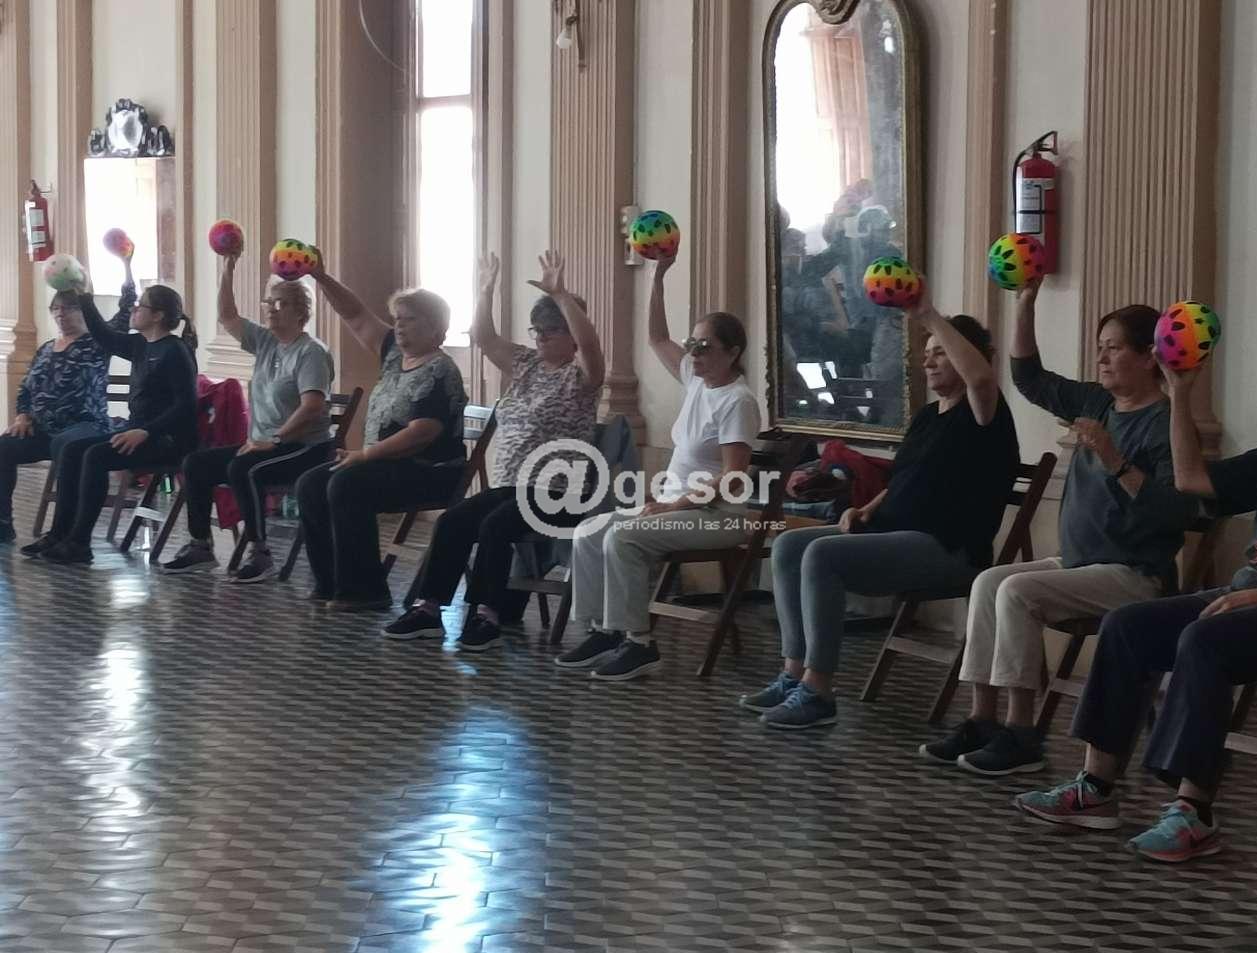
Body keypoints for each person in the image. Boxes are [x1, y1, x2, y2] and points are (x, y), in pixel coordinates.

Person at [1014, 360, 1257, 862]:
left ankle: (1194, 812)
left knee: (1205, 638)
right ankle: (1095, 787)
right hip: (1246, 597)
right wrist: (1181, 393)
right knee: (1128, 626)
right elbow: (1190, 479)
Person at [922, 278, 1199, 775]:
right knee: (989, 583)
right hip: (1078, 563)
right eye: (1100, 347)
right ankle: (983, 719)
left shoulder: (1165, 423)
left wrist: (1112, 457)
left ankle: (1022, 735)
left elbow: (1174, 512)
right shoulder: (1096, 402)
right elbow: (1028, 377)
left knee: (1018, 592)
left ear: (1148, 357)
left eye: (1114, 348)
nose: (1102, 358)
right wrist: (1025, 302)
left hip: (1135, 573)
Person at [741, 282, 1020, 729]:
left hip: (945, 547)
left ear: (971, 356)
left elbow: (982, 380)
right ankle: (793, 673)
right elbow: (906, 479)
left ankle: (818, 689)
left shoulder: (983, 413)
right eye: (926, 354)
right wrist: (866, 508)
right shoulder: (929, 417)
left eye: (941, 352)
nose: (929, 361)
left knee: (822, 554)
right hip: (892, 531)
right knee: (790, 546)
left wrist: (928, 314)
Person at [554, 254, 762, 681]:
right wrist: (657, 276)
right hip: (677, 507)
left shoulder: (737, 401)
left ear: (732, 353)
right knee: (589, 531)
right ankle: (604, 631)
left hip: (718, 516)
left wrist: (672, 505)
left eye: (705, 346)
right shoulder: (696, 379)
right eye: (693, 344)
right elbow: (656, 336)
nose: (694, 353)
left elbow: (733, 477)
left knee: (624, 536)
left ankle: (640, 643)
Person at [382, 250, 604, 646]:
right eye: (537, 329)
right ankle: (429, 609)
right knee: (452, 521)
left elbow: (590, 341)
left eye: (551, 330)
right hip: (510, 487)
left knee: (494, 526)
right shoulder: (526, 364)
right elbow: (483, 337)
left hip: (558, 492)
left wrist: (561, 295)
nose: (540, 337)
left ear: (570, 335)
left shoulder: (582, 377)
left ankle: (488, 616)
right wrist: (485, 290)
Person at [296, 254, 466, 612]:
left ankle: (365, 590)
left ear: (436, 328)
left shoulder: (441, 370)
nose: (399, 326)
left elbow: (422, 433)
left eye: (410, 319)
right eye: (397, 319)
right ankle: (330, 582)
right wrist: (321, 277)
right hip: (384, 464)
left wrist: (364, 455)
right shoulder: (393, 354)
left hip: (429, 471)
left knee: (347, 484)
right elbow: (355, 315)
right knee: (310, 484)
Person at [162, 247, 335, 580]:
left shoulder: (310, 352)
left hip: (303, 447)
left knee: (244, 468)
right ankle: (200, 546)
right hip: (264, 444)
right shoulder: (267, 341)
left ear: (301, 313)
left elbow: (313, 406)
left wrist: (275, 439)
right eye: (269, 302)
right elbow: (227, 316)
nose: (271, 308)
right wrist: (229, 267)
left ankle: (260, 553)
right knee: (196, 463)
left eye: (280, 303)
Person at [22, 285, 199, 565]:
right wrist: (85, 298)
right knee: (72, 450)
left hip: (167, 440)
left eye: (141, 305)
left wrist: (146, 431)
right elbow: (103, 336)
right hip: (137, 432)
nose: (135, 309)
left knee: (95, 456)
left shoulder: (175, 351)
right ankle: (58, 533)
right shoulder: (140, 344)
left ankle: (79, 542)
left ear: (158, 315)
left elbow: (186, 406)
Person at [0, 255, 137, 543]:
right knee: (3, 446)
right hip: (43, 429)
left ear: (83, 311)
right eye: (57, 309)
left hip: (85, 426)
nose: (62, 314)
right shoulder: (46, 349)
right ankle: (3, 522)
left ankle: (62, 531)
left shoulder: (98, 342)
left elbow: (126, 307)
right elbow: (26, 390)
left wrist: (126, 265)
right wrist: (23, 416)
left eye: (69, 308)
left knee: (66, 445)